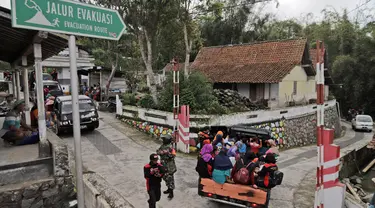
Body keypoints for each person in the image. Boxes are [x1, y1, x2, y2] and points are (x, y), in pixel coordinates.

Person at [157, 135, 177, 199]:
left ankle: (171, 193)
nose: (163, 141)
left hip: (169, 166)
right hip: (163, 165)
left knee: (170, 179)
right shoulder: (163, 146)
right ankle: (168, 189)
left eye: (164, 139)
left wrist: (167, 153)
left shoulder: (171, 147)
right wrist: (162, 152)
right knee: (165, 177)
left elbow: (173, 155)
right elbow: (157, 151)